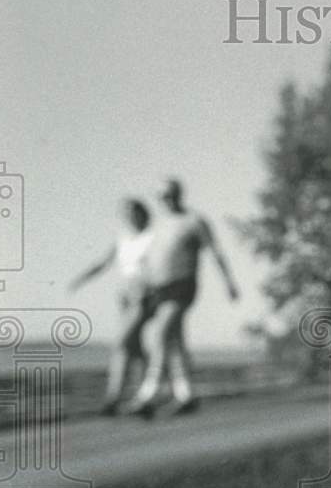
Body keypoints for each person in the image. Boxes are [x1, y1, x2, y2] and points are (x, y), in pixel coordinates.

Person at [124, 177, 239, 416]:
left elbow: (215, 251)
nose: (167, 200)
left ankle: (148, 395)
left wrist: (229, 283)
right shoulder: (157, 225)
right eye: (162, 196)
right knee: (174, 342)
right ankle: (186, 395)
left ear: (179, 195)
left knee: (161, 333)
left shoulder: (194, 221)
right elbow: (148, 259)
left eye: (170, 195)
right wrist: (141, 286)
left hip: (182, 285)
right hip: (158, 288)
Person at [69, 198, 154, 415]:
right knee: (134, 347)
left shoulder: (152, 238)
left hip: (144, 294)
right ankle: (145, 396)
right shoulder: (123, 239)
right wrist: (82, 278)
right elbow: (104, 262)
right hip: (124, 295)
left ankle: (113, 398)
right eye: (124, 213)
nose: (129, 217)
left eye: (133, 212)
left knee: (121, 343)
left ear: (142, 213)